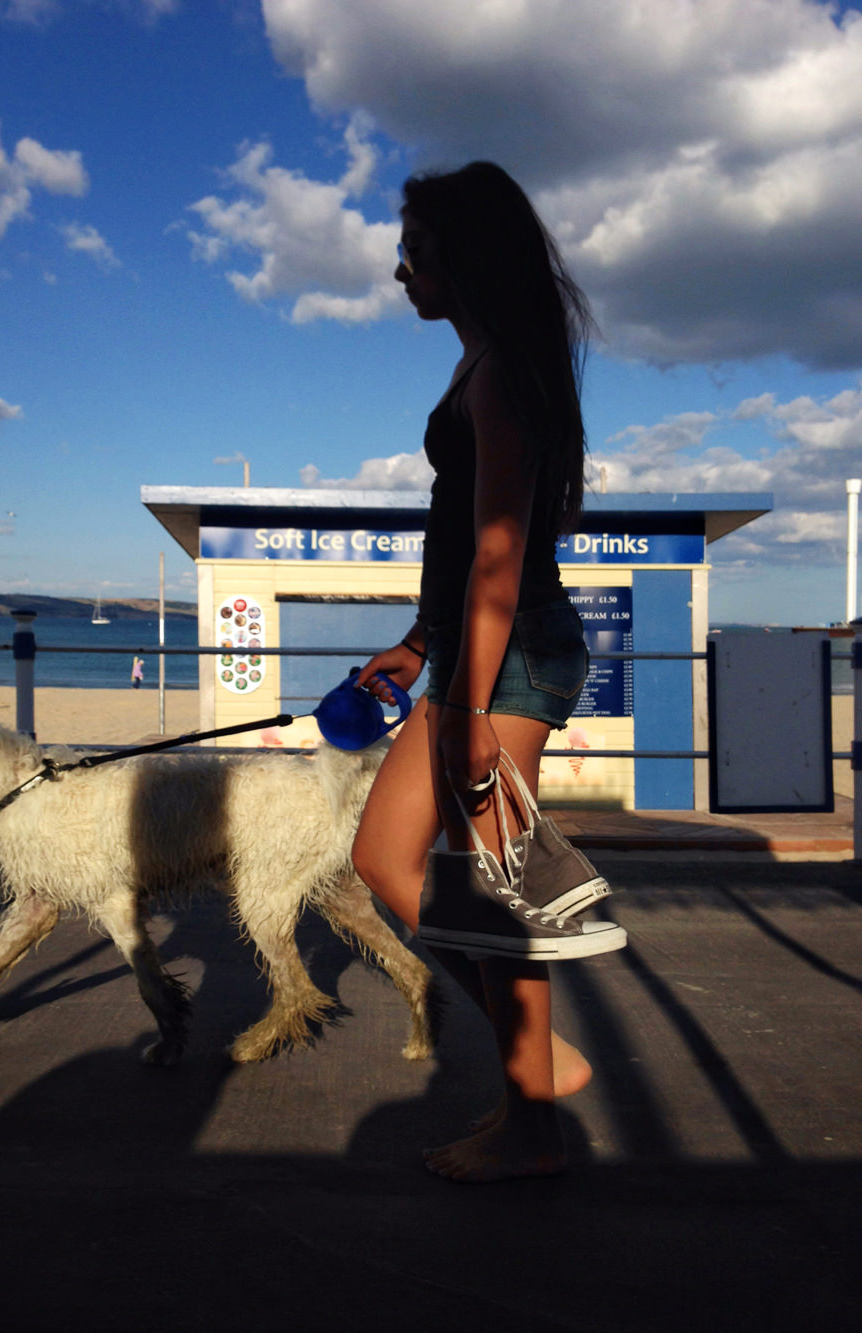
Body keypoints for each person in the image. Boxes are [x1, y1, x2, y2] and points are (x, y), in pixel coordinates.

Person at [352, 162, 623, 1183]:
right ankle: (536, 1066)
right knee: (385, 859)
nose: (398, 268)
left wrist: (463, 699)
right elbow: (458, 543)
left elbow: (503, 555)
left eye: (413, 246)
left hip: (510, 652)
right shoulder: (478, 368)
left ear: (461, 255)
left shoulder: (503, 371)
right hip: (473, 649)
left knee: (497, 897)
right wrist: (420, 646)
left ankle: (532, 1127)